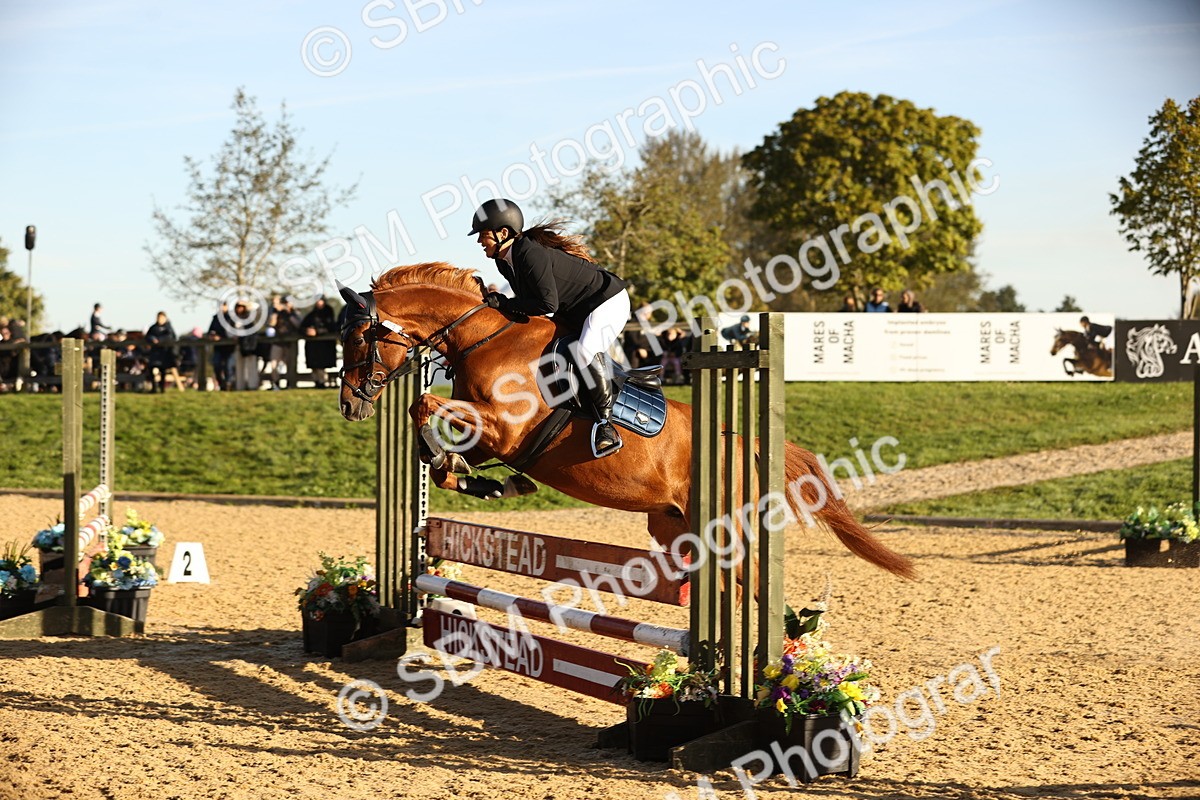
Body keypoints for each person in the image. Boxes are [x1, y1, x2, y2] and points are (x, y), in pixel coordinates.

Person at [470, 198, 631, 457]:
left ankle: (606, 425)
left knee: (584, 351)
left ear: (503, 233)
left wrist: (507, 304)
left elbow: (546, 303)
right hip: (577, 309)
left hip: (606, 302)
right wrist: (505, 305)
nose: (479, 241)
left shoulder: (529, 252)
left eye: (483, 235)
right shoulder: (504, 261)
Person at [301, 296, 338, 388]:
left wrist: (317, 331)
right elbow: (302, 326)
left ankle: (322, 382)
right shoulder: (312, 314)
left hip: (324, 345)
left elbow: (331, 327)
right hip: (312, 345)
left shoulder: (328, 313)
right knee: (313, 365)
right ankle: (317, 381)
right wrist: (307, 331)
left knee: (321, 365)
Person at [145, 311, 181, 393]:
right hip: (154, 352)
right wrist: (152, 339)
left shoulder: (168, 328)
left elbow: (171, 337)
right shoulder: (153, 327)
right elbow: (147, 336)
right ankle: (154, 387)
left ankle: (162, 388)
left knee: (163, 370)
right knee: (151, 368)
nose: (159, 319)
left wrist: (160, 340)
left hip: (165, 352)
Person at [207, 302, 236, 391]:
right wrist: (212, 335)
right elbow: (210, 331)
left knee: (228, 367)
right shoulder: (216, 318)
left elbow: (233, 332)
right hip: (218, 347)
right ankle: (222, 383)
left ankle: (228, 384)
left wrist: (222, 337)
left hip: (229, 347)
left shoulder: (232, 318)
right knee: (216, 365)